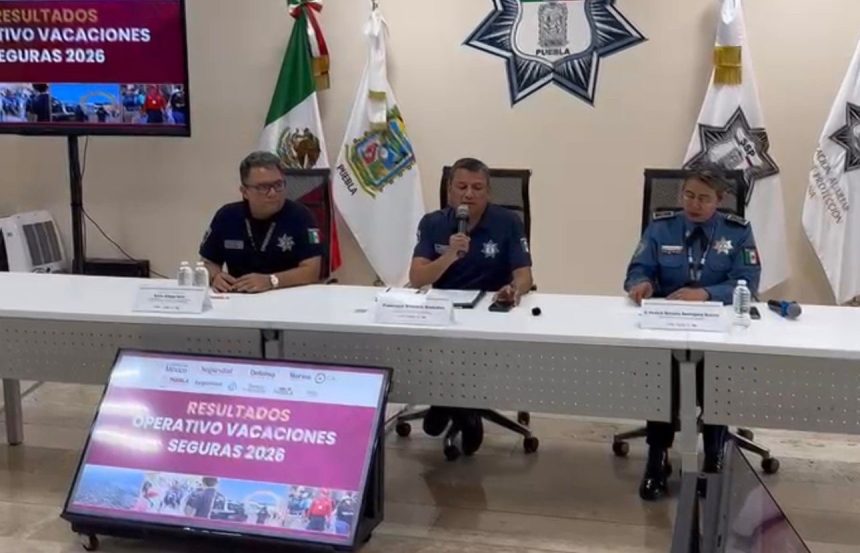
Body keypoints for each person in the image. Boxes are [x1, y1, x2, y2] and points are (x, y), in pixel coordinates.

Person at [624, 166, 761, 501]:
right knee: (661, 376)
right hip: (668, 323)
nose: (694, 204)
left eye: (703, 198)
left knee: (716, 377)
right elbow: (638, 269)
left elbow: (748, 281)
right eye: (688, 195)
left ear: (720, 199)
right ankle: (657, 458)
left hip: (717, 326)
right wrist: (640, 284)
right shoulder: (661, 227)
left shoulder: (737, 231)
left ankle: (714, 457)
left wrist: (706, 293)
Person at [409, 157, 534, 456]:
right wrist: (450, 255)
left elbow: (524, 276)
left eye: (477, 188)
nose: (469, 194)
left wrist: (513, 291)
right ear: (450, 191)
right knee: (435, 350)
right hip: (445, 313)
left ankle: (453, 405)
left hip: (491, 313)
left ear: (488, 192)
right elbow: (417, 278)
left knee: (466, 353)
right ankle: (459, 406)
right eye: (462, 187)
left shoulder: (508, 222)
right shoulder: (433, 223)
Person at [200, 151, 323, 293]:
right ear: (244, 192)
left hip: (288, 296)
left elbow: (312, 271)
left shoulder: (301, 216)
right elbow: (208, 262)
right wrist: (215, 276)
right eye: (263, 187)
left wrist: (271, 280)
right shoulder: (227, 216)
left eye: (278, 185)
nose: (273, 193)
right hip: (240, 296)